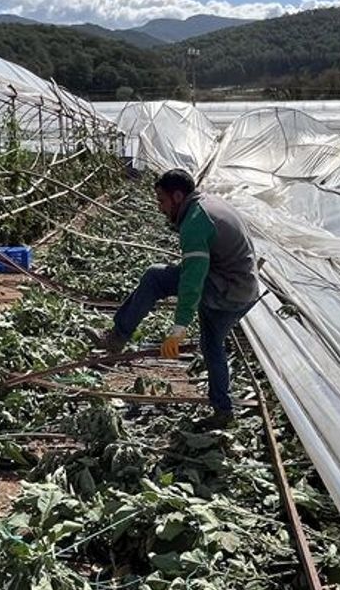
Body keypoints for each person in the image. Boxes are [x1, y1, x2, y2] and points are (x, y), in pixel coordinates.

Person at [91, 168, 260, 429]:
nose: (160, 208)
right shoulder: (209, 204)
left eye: (162, 201)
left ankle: (117, 337)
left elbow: (192, 280)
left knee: (155, 277)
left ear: (178, 196)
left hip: (225, 289)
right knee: (211, 344)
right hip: (244, 292)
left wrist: (179, 328)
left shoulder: (196, 221)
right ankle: (223, 410)